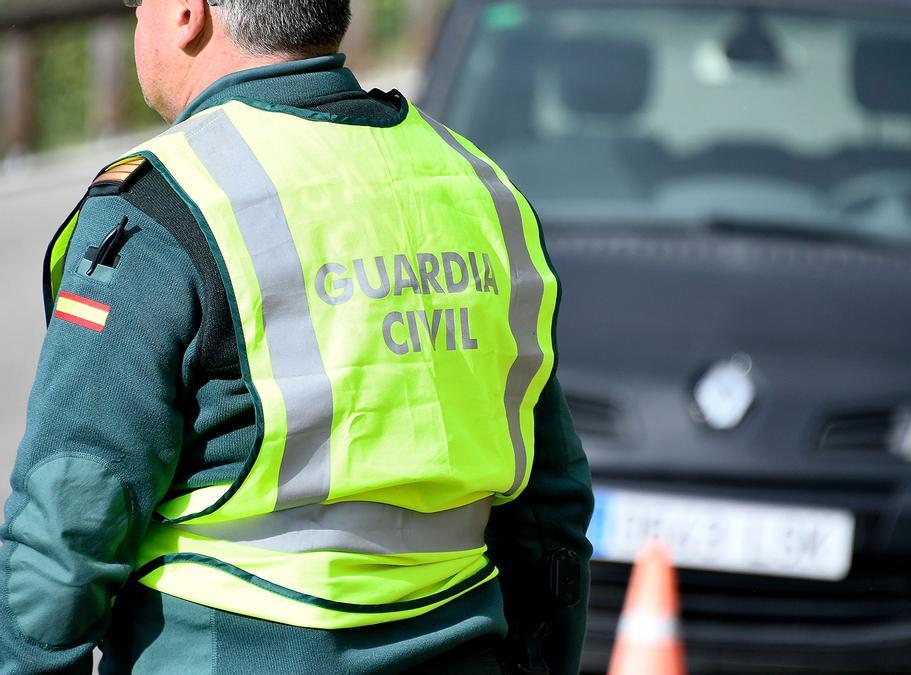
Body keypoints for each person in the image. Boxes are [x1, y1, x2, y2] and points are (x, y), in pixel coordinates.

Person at [0, 0, 593, 673]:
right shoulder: (480, 188)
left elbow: (68, 522)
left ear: (188, 14)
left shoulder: (167, 202)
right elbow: (552, 507)